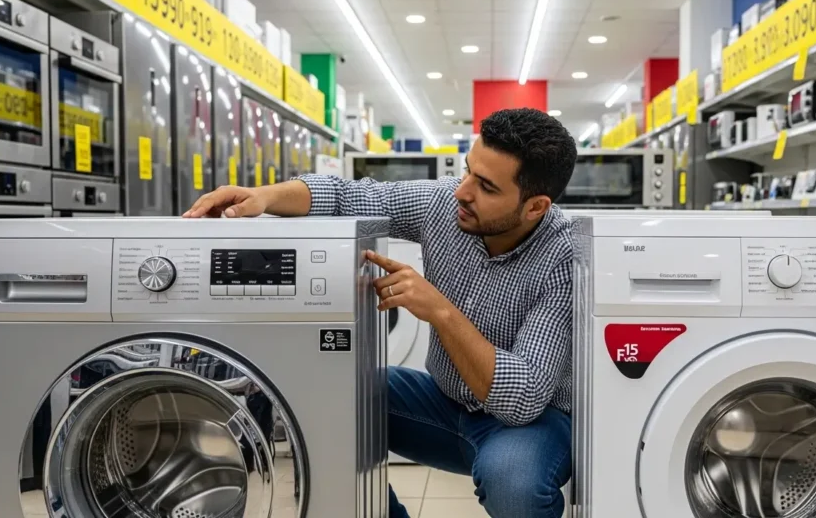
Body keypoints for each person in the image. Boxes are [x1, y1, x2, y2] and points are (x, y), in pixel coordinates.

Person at [184, 108, 578, 518]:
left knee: (513, 482)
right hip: (445, 405)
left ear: (535, 207)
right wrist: (263, 196)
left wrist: (440, 310)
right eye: (467, 172)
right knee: (326, 395)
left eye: (486, 187)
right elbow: (346, 197)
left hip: (530, 426)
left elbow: (524, 398)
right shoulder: (443, 204)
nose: (463, 192)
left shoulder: (564, 257)